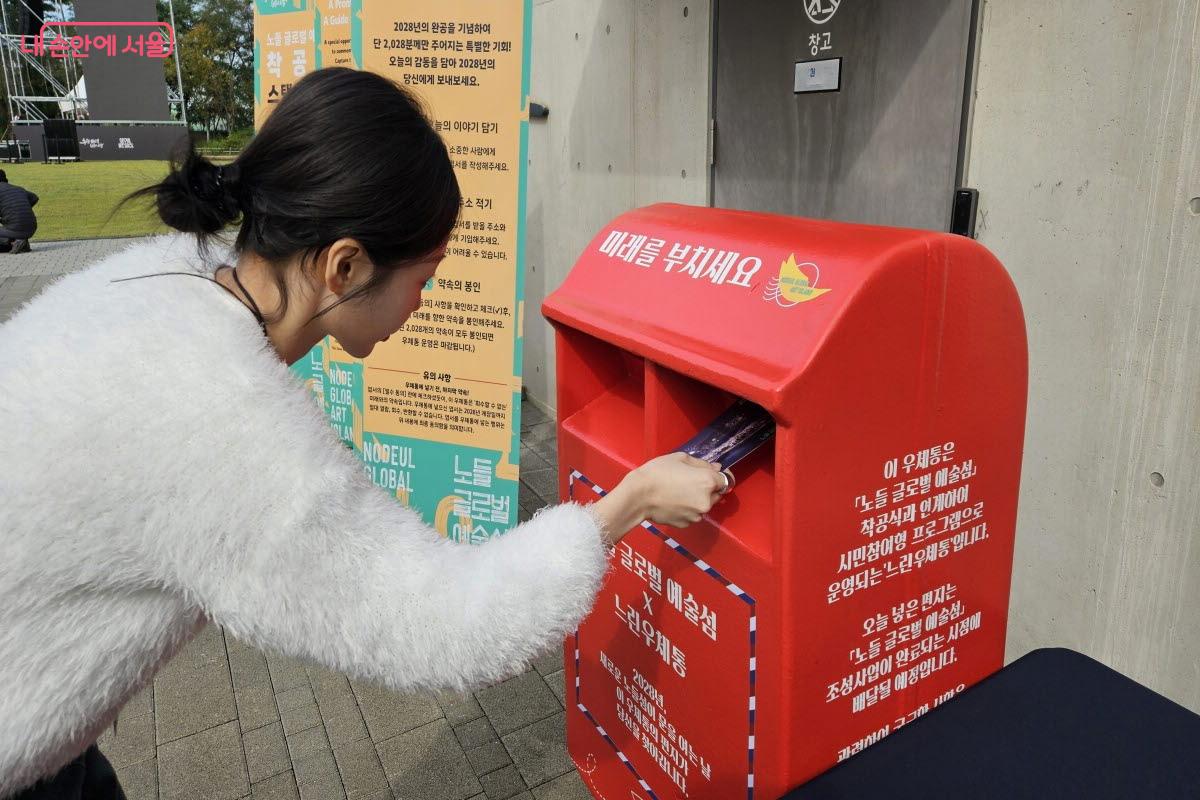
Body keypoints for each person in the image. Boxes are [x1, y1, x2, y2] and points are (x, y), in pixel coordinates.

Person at [0, 67, 730, 799]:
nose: (426, 297)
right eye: (427, 272)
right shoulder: (220, 429)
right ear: (345, 266)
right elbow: (450, 628)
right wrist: (628, 503)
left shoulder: (167, 277)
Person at [0, 169, 39, 254]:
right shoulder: (18, 188)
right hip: (32, 228)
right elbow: (34, 198)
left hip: (15, 228)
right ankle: (21, 242)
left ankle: (15, 243)